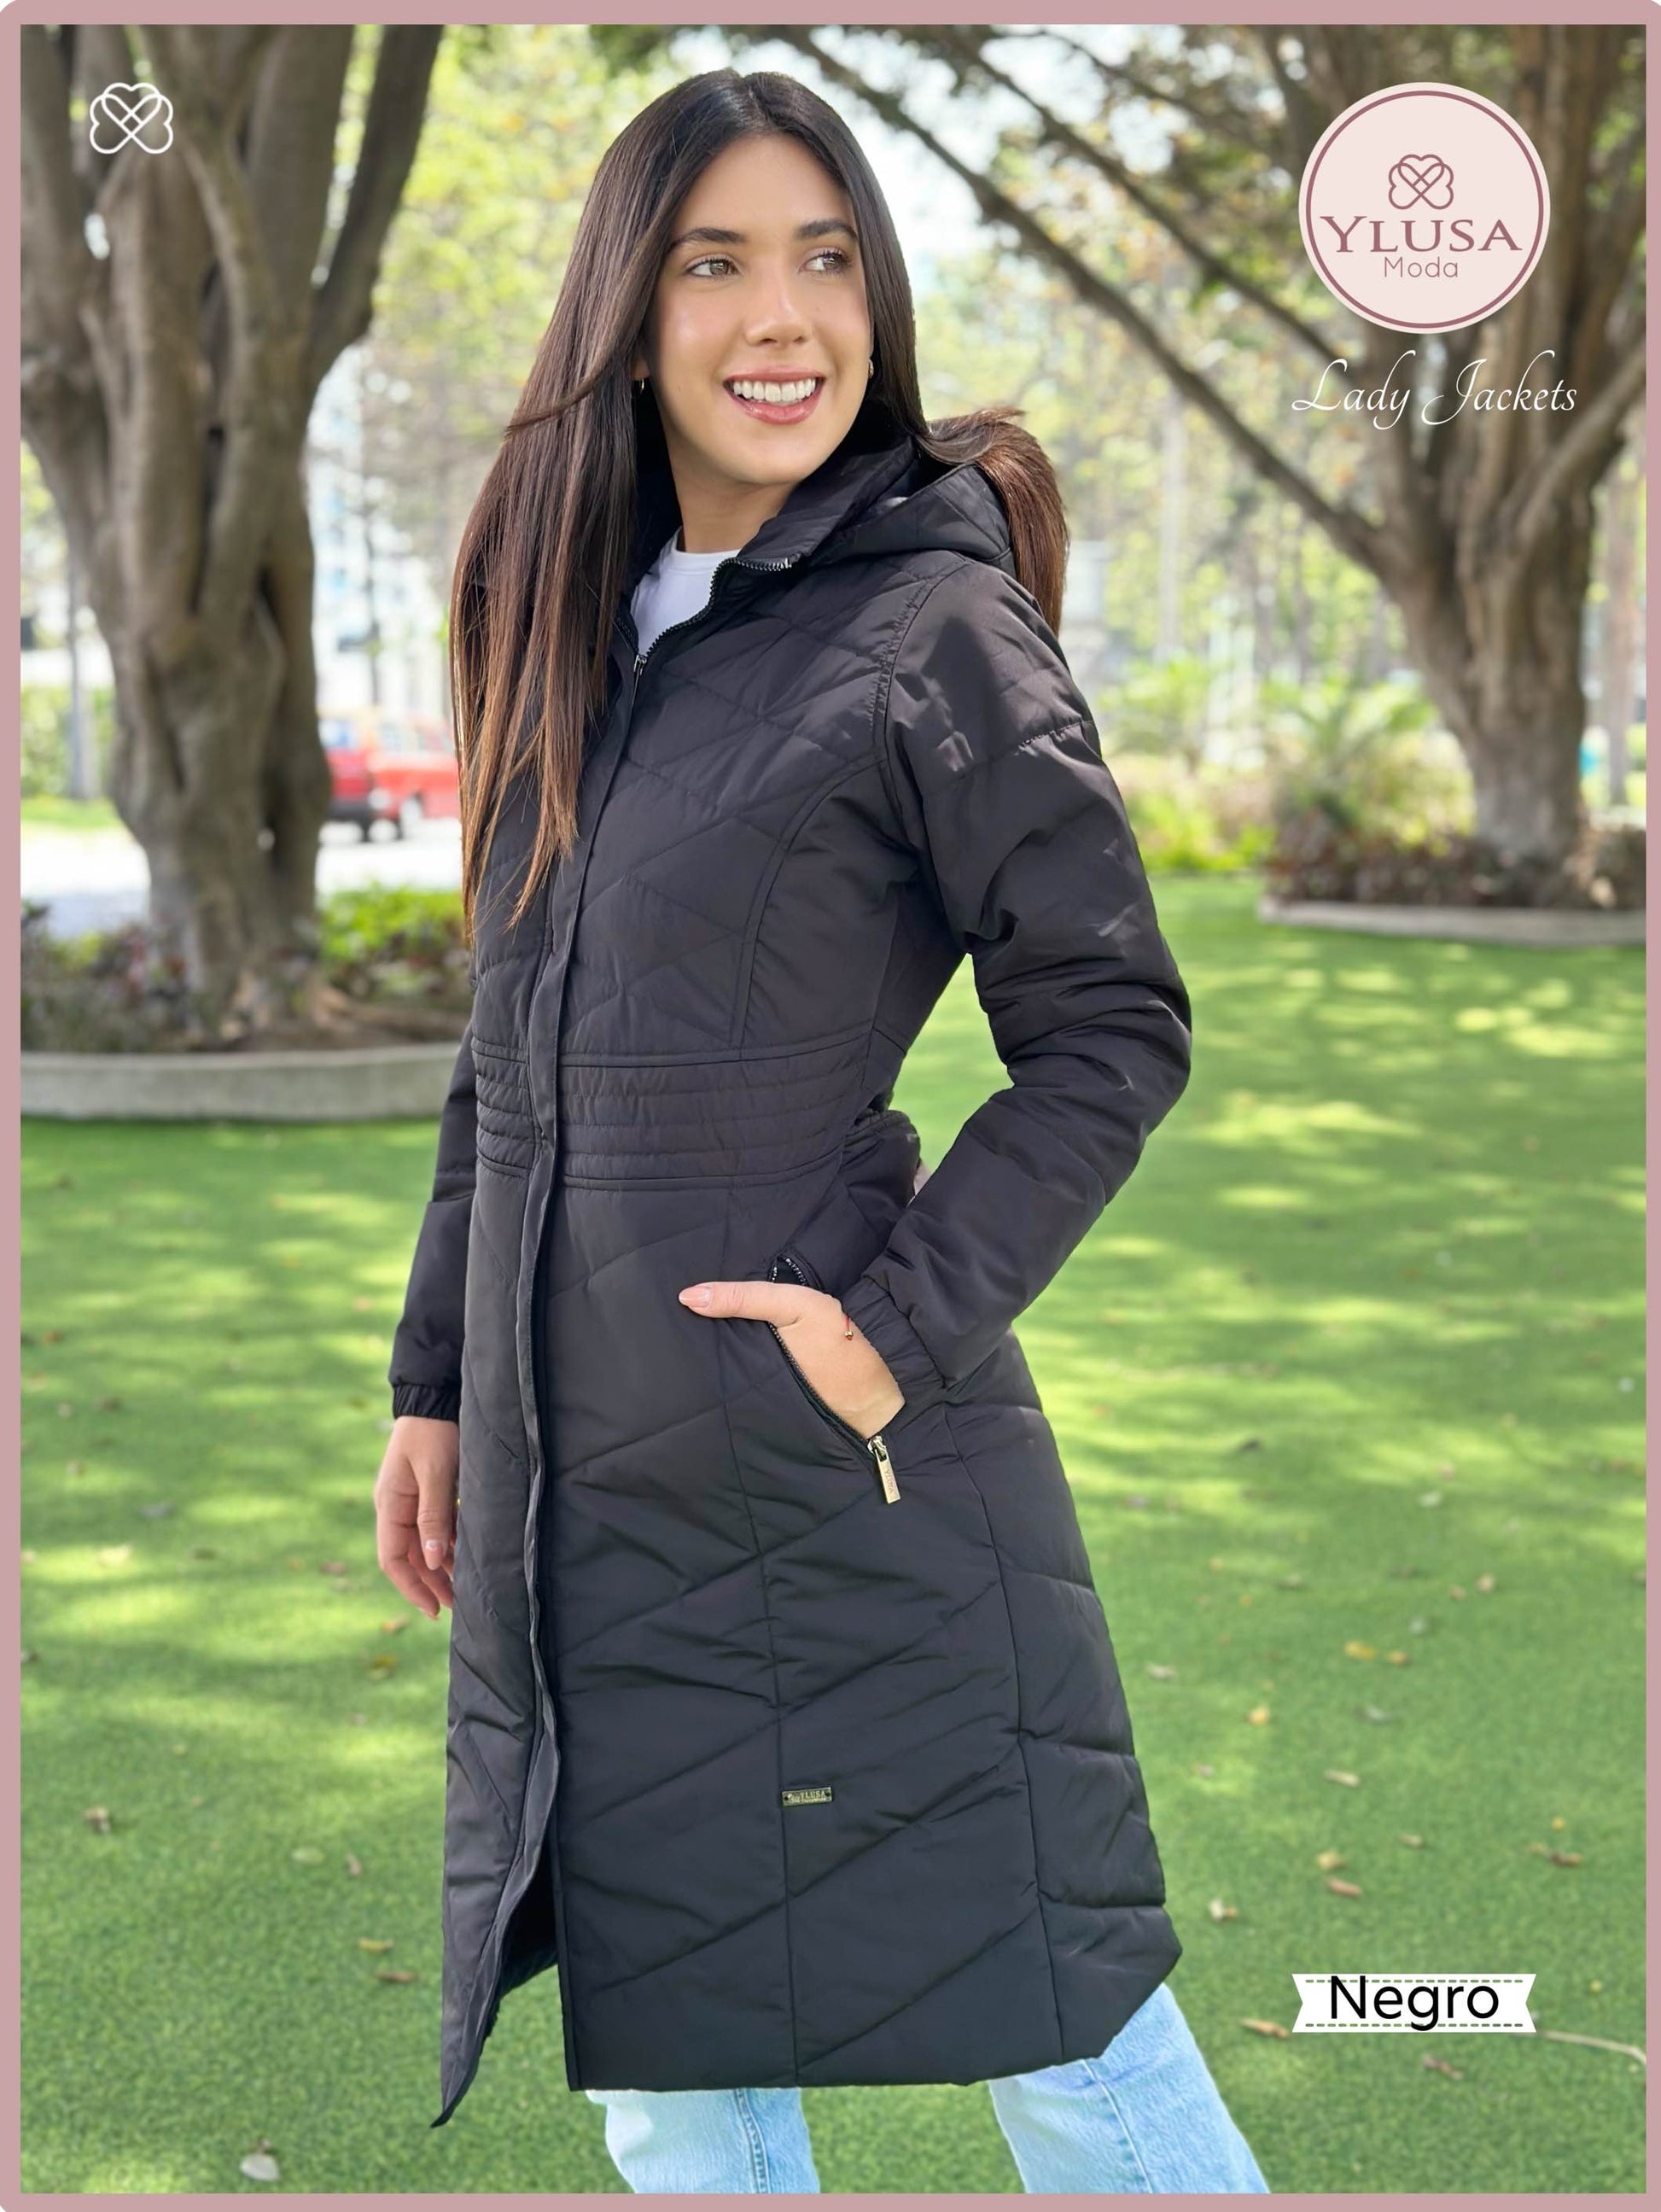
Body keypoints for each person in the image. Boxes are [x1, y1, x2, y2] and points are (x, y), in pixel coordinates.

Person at [376, 66, 1268, 2195]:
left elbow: (1107, 1025)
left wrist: (885, 1332)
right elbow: (506, 1055)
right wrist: (436, 1386)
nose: (781, 315)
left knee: (1067, 2033)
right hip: (593, 1504)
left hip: (841, 1474)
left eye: (827, 258)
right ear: (629, 313)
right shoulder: (569, 631)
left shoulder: (931, 624)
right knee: (676, 2080)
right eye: (715, 263)